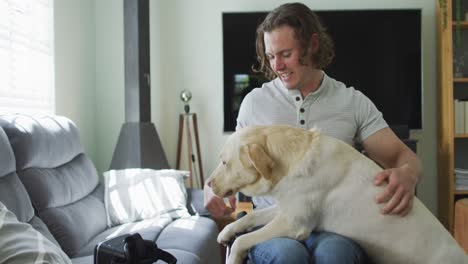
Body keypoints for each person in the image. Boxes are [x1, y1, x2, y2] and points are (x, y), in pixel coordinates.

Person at [204, 2, 422, 263]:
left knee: (336, 254)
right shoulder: (254, 103)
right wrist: (211, 189)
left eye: (285, 54)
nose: (278, 66)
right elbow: (230, 161)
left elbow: (402, 157)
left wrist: (408, 174)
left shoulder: (351, 102)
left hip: (334, 226)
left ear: (312, 44)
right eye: (271, 56)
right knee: (288, 255)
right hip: (273, 224)